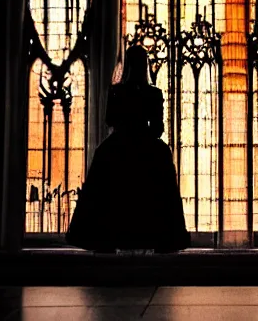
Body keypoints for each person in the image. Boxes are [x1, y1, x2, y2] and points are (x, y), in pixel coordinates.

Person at [66, 45, 190, 253]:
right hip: (147, 143)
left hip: (120, 144)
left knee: (104, 169)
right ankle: (163, 237)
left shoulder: (116, 91)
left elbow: (109, 120)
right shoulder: (154, 93)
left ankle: (102, 236)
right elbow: (158, 129)